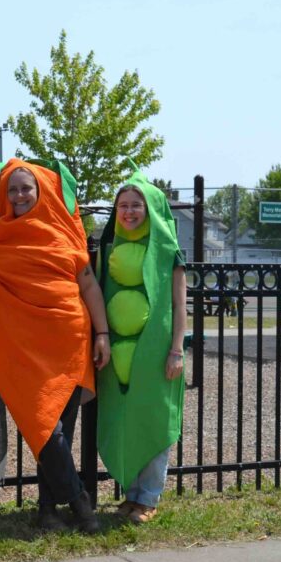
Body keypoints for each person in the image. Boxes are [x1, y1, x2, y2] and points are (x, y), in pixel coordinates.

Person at [0, 158, 110, 533]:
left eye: (25, 188)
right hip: (21, 347)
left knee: (56, 427)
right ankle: (80, 502)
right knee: (43, 428)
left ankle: (48, 512)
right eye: (12, 189)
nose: (18, 195)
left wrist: (102, 334)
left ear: (40, 190)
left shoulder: (67, 231)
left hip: (68, 339)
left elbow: (89, 284)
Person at [96, 168, 186, 524]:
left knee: (153, 421)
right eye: (123, 206)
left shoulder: (169, 253)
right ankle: (131, 495)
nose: (129, 212)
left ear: (150, 210)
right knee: (125, 421)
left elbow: (180, 306)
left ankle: (148, 498)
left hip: (156, 351)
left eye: (137, 206)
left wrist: (176, 350)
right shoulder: (109, 249)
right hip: (118, 352)